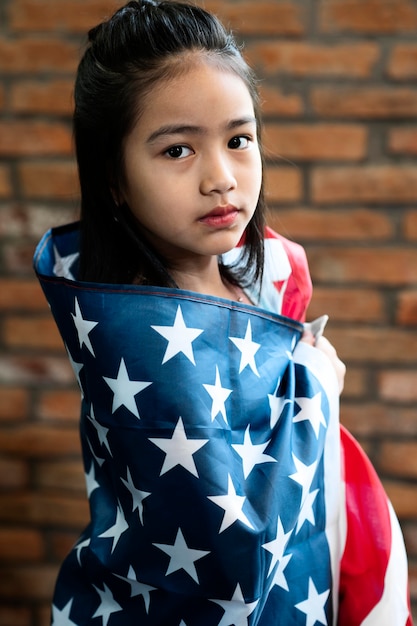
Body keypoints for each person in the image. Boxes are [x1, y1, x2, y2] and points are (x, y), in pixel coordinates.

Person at [33, 1, 412, 624]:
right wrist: (314, 384)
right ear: (114, 178)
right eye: (178, 151)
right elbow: (235, 549)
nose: (221, 178)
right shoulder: (139, 340)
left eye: (239, 140)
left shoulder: (254, 278)